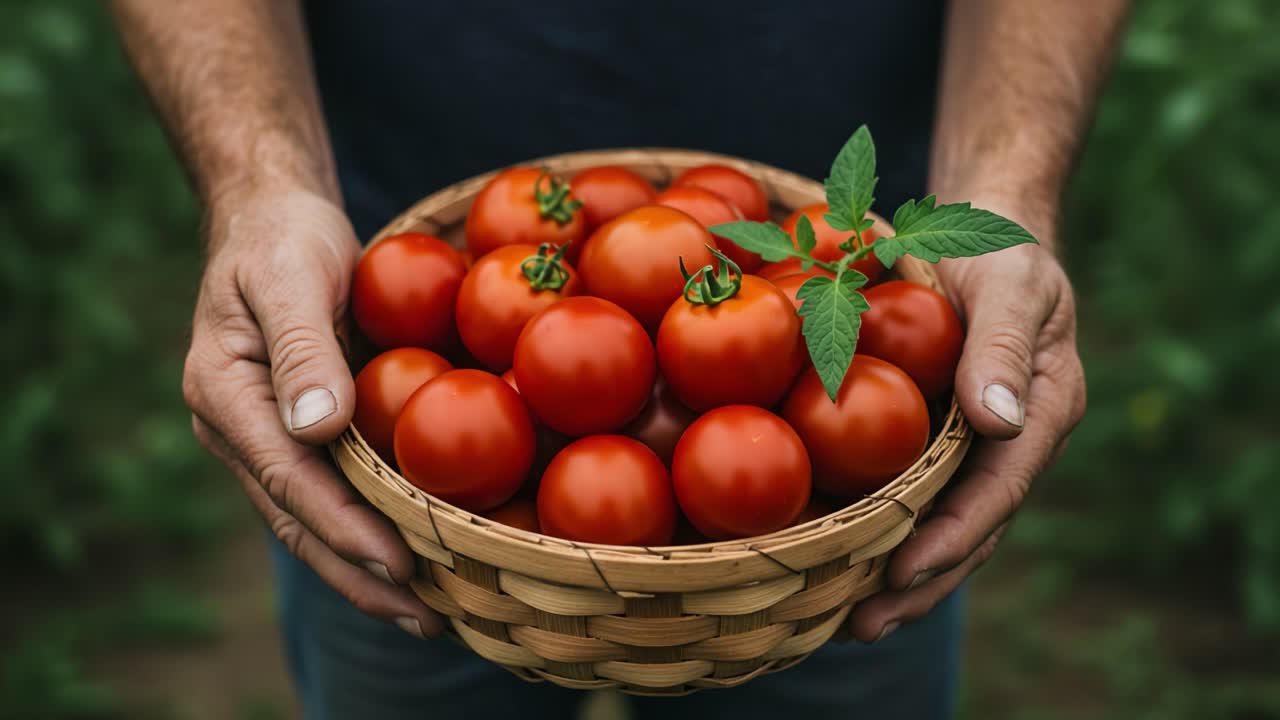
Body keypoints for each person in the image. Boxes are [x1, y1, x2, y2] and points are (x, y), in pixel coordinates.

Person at [111, 1, 1125, 717]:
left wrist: (1001, 192)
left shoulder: (801, 310)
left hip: (851, 396)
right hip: (373, 309)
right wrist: (260, 184)